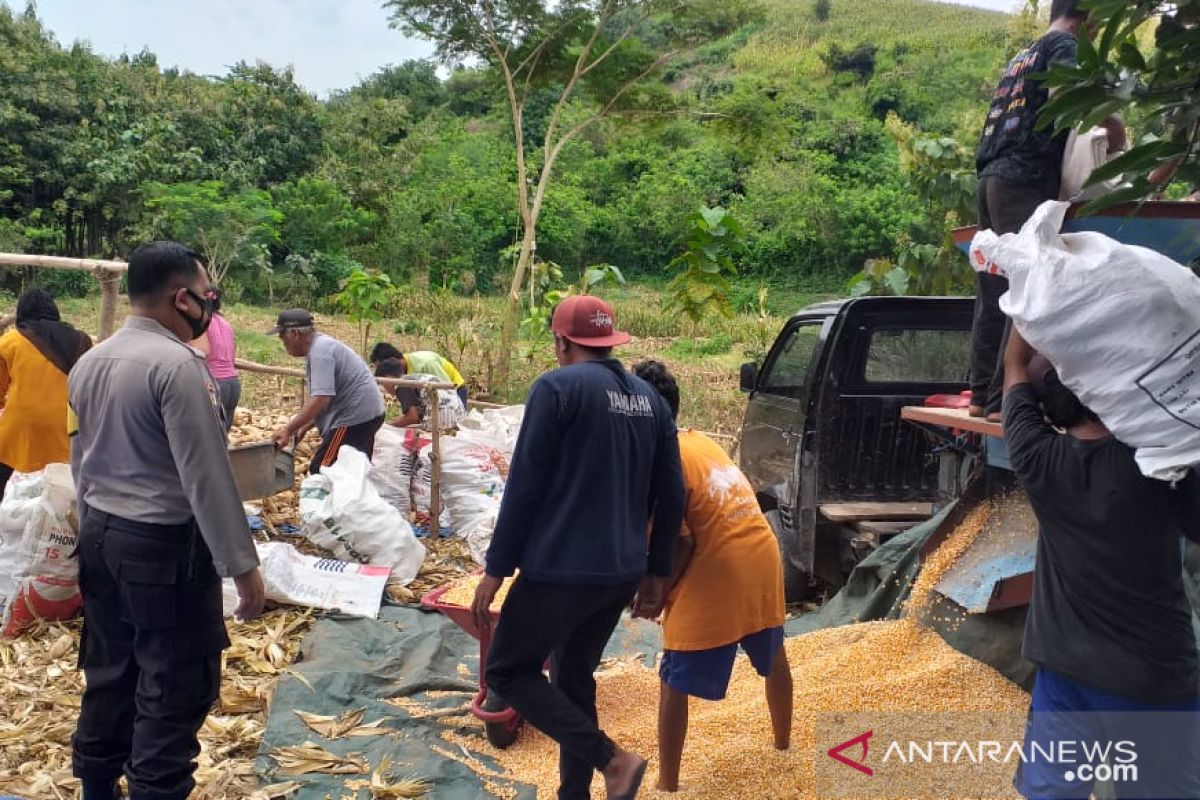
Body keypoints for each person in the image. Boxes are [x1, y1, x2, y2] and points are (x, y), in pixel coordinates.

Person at [68, 241, 265, 800]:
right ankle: (156, 787)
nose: (210, 308)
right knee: (173, 684)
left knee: (110, 671)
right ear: (183, 299)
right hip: (160, 547)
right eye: (208, 297)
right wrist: (242, 568)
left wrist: (89, 532)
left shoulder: (89, 361)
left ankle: (97, 786)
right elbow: (206, 476)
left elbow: (80, 458)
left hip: (100, 534)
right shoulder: (179, 367)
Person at [470, 295, 685, 800]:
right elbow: (671, 491)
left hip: (561, 567)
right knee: (573, 677)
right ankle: (575, 793)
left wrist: (496, 568)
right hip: (621, 571)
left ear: (562, 341)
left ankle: (613, 761)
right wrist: (657, 571)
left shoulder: (556, 388)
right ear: (610, 341)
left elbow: (525, 485)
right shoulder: (650, 401)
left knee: (507, 670)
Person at [1002, 329, 1200, 800]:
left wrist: (1024, 304)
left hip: (1063, 675)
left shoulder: (1035, 456)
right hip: (1152, 679)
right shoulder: (1160, 468)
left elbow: (1014, 370)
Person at [631, 360, 791, 793]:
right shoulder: (698, 442)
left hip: (720, 567)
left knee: (672, 678)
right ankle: (784, 745)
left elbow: (681, 544)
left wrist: (657, 593)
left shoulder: (660, 461)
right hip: (762, 554)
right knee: (772, 650)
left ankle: (666, 784)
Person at [971, 0, 1126, 421]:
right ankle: (1005, 400)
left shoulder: (1023, 55)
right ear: (1087, 17)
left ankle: (981, 395)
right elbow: (1080, 98)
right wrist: (1115, 126)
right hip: (1023, 180)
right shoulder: (1064, 45)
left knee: (994, 291)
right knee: (1029, 285)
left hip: (990, 181)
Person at [0, 288, 91, 499]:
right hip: (66, 427)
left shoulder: (10, 341)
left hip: (21, 426)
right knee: (72, 481)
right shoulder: (82, 341)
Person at [270, 309, 385, 473]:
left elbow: (321, 398)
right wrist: (302, 427)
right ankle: (352, 498)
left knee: (323, 469)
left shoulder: (320, 352)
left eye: (282, 336)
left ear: (295, 334)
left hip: (354, 417)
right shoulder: (322, 346)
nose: (282, 342)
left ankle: (332, 498)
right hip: (369, 413)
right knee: (353, 469)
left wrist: (288, 429)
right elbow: (326, 397)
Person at [191, 286, 239, 434]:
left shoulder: (201, 322)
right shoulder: (225, 323)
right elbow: (232, 352)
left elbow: (202, 351)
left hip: (215, 384)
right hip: (233, 384)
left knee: (208, 436)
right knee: (222, 436)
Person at [374, 357, 465, 429]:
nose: (385, 389)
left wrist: (388, 426)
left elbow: (412, 417)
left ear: (387, 377)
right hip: (458, 413)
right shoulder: (413, 379)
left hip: (443, 415)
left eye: (382, 384)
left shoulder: (401, 384)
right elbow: (416, 413)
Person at [371, 341, 469, 406]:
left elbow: (447, 390)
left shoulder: (427, 364)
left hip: (455, 392)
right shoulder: (401, 372)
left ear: (392, 361)